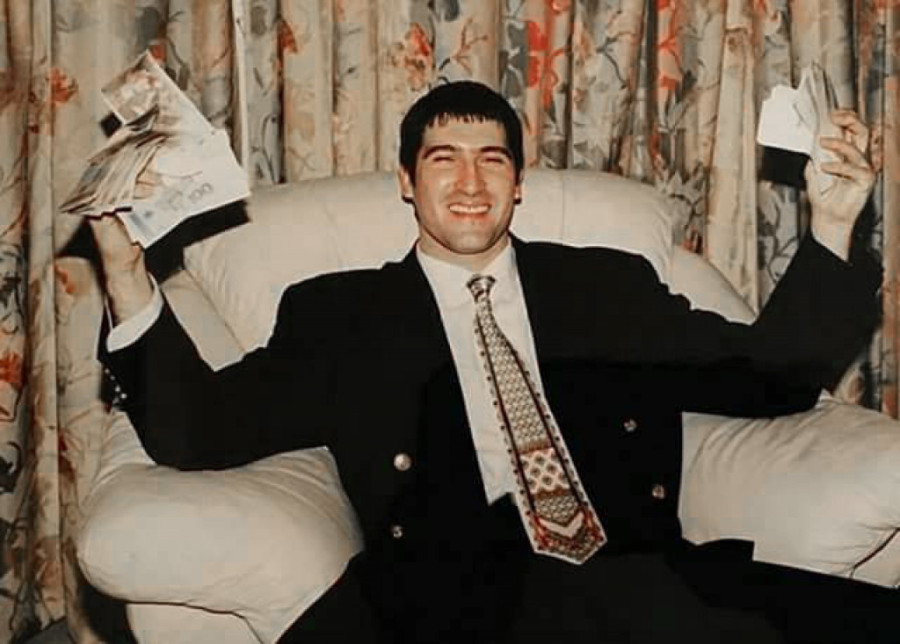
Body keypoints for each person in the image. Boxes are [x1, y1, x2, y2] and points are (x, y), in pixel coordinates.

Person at [91, 81, 891, 643]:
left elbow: (766, 378)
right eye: (444, 159)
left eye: (494, 160)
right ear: (407, 182)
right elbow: (205, 431)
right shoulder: (340, 314)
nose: (471, 183)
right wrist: (127, 276)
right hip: (445, 591)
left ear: (519, 184)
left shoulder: (601, 287)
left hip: (629, 570)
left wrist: (832, 221)